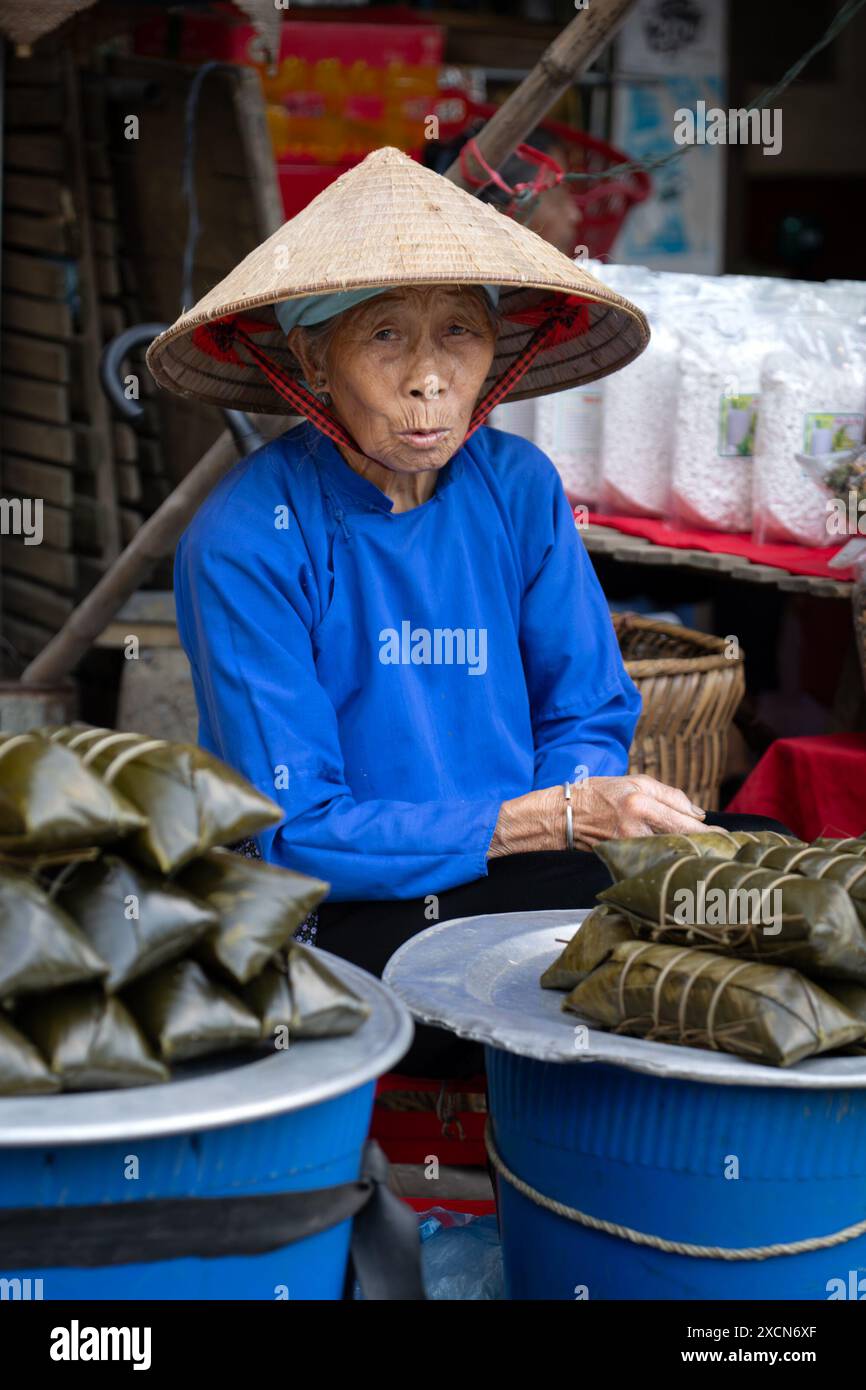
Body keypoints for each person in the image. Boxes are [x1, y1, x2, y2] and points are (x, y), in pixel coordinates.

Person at [148, 148, 789, 1074]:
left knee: (765, 870)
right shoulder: (249, 538)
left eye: (457, 332)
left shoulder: (519, 487)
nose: (428, 377)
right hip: (346, 914)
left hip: (525, 873)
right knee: (642, 977)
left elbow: (585, 708)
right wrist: (550, 822)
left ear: (495, 352)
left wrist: (575, 818)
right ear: (311, 359)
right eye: (383, 338)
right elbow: (293, 830)